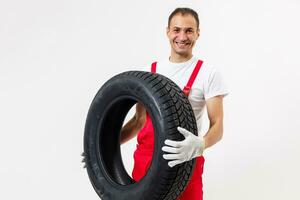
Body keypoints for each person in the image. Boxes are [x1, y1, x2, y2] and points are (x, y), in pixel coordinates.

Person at [120, 7, 228, 200]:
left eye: (189, 30)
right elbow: (138, 121)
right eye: (176, 30)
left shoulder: (207, 73)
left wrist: (200, 144)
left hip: (184, 160)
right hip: (146, 160)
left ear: (198, 33)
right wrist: (103, 145)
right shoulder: (149, 72)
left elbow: (217, 126)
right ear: (168, 32)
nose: (182, 36)